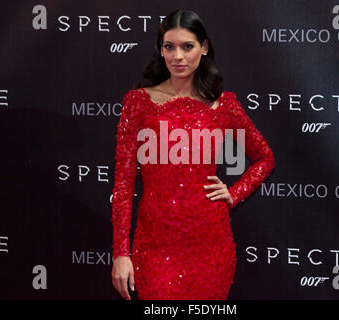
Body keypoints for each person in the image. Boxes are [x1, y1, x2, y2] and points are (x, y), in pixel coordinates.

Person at [111, 9, 275, 300]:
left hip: (211, 247)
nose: (178, 56)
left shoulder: (224, 106)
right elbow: (123, 186)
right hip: (155, 247)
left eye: (187, 46)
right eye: (169, 47)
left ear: (204, 48)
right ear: (160, 50)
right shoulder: (138, 103)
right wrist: (121, 253)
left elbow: (264, 157)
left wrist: (234, 193)